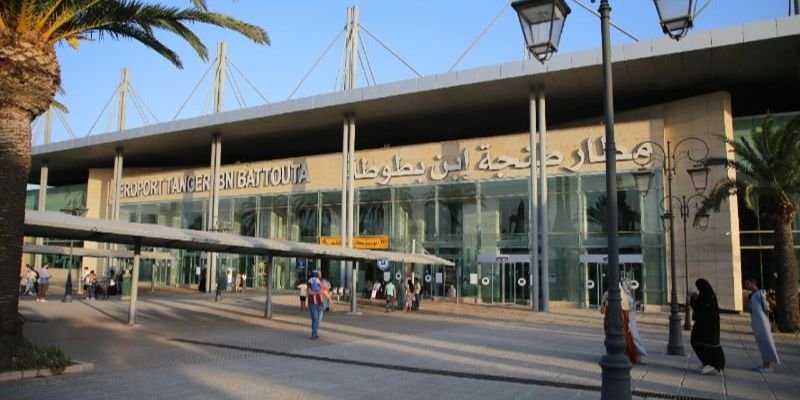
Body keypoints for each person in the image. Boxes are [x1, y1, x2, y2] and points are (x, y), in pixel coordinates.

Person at [690, 278, 725, 375]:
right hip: (707, 325)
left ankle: (712, 364)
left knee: (699, 342)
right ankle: (707, 362)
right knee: (698, 342)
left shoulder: (706, 296)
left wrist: (693, 299)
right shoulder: (709, 295)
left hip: (705, 326)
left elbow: (698, 307)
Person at [744, 279, 780, 372]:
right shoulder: (752, 295)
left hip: (762, 321)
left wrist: (767, 322)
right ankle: (765, 364)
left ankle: (768, 366)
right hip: (756, 321)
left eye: (748, 283)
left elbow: (766, 308)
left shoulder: (760, 293)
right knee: (761, 343)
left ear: (753, 283)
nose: (746, 286)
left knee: (766, 342)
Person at [600, 283, 640, 364]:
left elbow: (602, 309)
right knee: (624, 338)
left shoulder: (607, 293)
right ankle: (627, 355)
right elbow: (627, 312)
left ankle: (615, 354)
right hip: (621, 321)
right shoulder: (624, 296)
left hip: (611, 320)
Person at [623, 279, 648, 361]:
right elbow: (626, 307)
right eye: (629, 284)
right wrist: (635, 304)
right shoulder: (624, 295)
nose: (630, 285)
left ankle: (637, 354)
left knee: (634, 336)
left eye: (630, 284)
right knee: (633, 336)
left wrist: (635, 303)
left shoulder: (628, 293)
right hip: (629, 318)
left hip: (632, 317)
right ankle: (634, 355)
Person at [307, 271, 325, 340]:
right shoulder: (310, 282)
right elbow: (309, 292)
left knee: (318, 320)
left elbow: (323, 291)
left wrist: (315, 292)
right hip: (313, 304)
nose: (319, 275)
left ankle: (315, 333)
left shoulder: (321, 282)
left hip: (320, 304)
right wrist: (318, 292)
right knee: (315, 319)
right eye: (318, 274)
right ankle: (313, 335)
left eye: (320, 274)